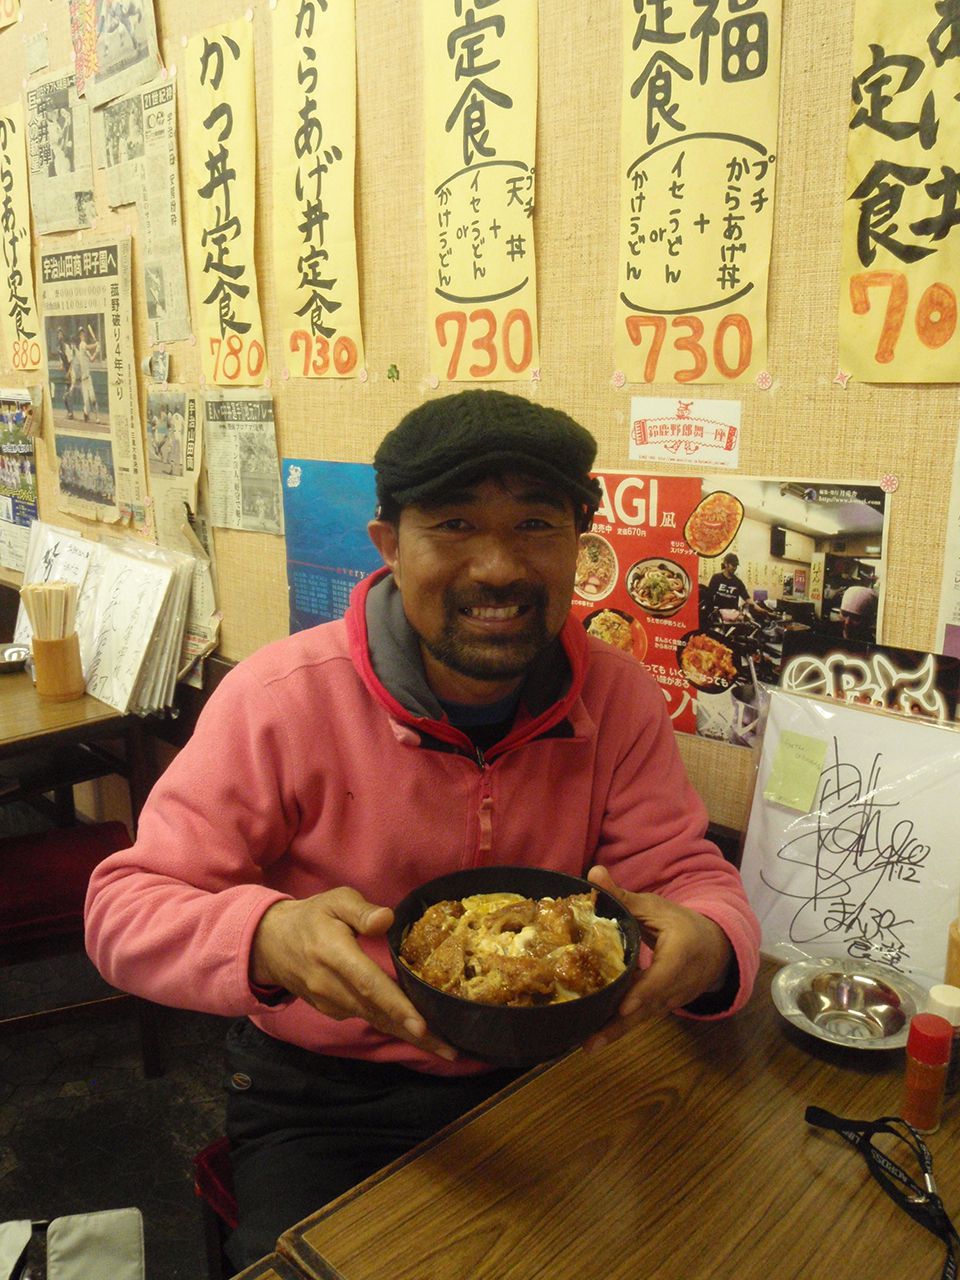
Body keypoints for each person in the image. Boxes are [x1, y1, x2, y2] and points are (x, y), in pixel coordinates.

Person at [84, 390, 760, 1268]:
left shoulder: (617, 696)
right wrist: (266, 935)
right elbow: (121, 907)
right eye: (452, 525)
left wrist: (710, 946)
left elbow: (683, 874)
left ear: (576, 549)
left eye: (534, 525)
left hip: (551, 1070)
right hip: (327, 1097)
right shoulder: (281, 698)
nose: (497, 567)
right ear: (390, 547)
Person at [706, 553, 770, 619]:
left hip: (733, 617)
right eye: (733, 565)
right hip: (718, 616)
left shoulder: (737, 582)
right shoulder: (716, 578)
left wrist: (760, 609)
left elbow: (747, 598)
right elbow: (709, 596)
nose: (735, 568)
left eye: (736, 566)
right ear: (726, 564)